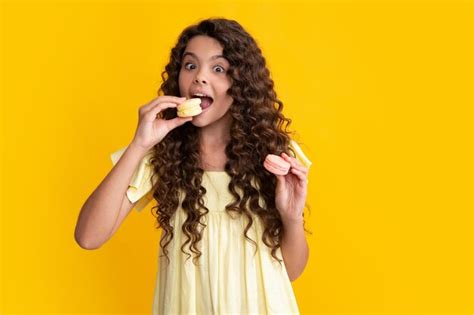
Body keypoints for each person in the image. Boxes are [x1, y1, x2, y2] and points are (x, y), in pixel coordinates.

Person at [75, 17, 313, 314]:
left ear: (241, 83)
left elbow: (288, 272)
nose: (199, 77)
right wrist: (139, 145)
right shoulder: (161, 154)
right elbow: (88, 236)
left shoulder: (276, 156)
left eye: (218, 68)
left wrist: (291, 218)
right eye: (190, 66)